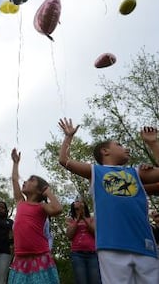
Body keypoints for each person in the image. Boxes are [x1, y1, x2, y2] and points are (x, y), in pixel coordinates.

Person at [58, 118, 159, 283]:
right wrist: (68, 136)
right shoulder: (95, 172)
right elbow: (64, 160)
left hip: (144, 244)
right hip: (111, 246)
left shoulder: (137, 173)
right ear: (105, 151)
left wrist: (153, 143)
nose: (126, 148)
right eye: (119, 144)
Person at [8, 148, 62, 284]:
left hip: (40, 256)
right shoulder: (20, 202)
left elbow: (57, 209)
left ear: (39, 190)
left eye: (31, 180)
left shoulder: (42, 207)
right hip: (20, 258)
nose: (25, 182)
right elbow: (15, 180)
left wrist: (48, 192)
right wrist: (15, 163)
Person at [66, 197, 101, 284]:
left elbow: (95, 232)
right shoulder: (71, 220)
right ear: (73, 206)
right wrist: (77, 219)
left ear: (84, 205)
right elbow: (69, 235)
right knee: (81, 281)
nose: (78, 202)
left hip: (92, 253)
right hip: (77, 254)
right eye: (76, 201)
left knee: (95, 280)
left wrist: (84, 218)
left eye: (80, 201)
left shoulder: (92, 219)